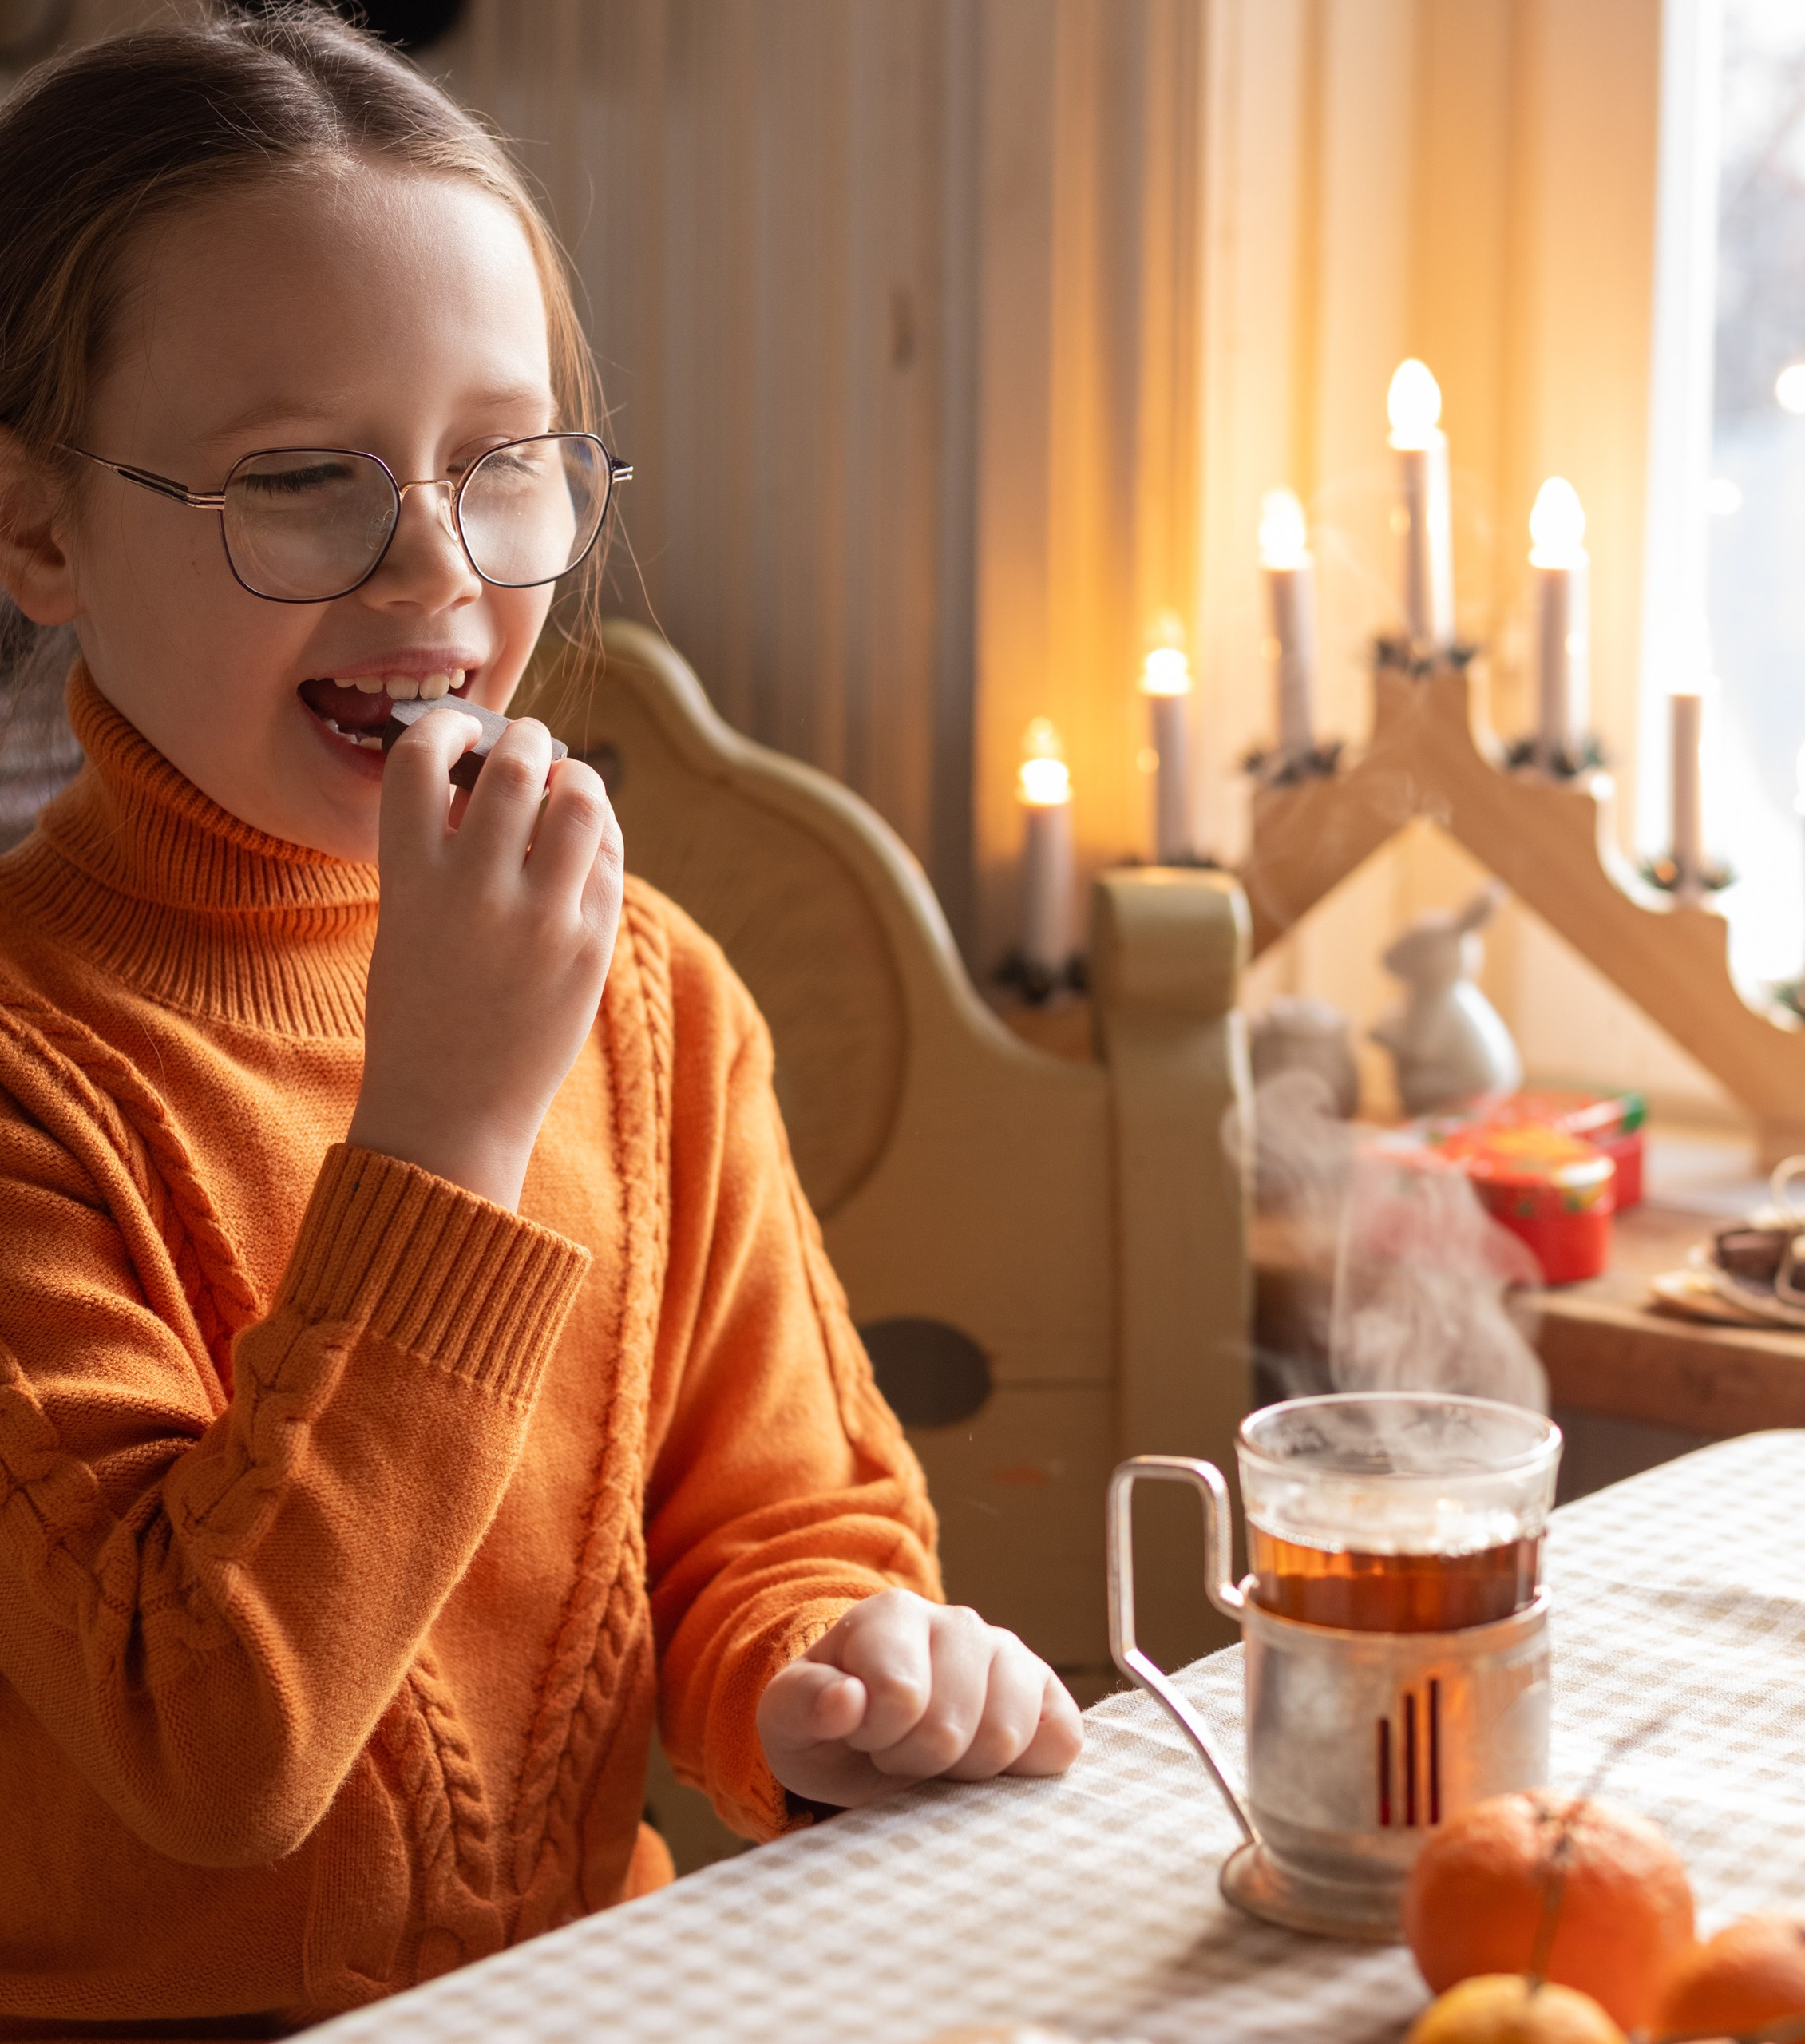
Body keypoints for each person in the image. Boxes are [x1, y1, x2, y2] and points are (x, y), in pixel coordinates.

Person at [0, 10, 1081, 2033]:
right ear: (41, 530)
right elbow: (215, 1745)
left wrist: (835, 1664)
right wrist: (444, 1127)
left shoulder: (649, 990)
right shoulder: (35, 1072)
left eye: (501, 466)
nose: (434, 568)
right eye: (300, 479)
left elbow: (781, 1520)